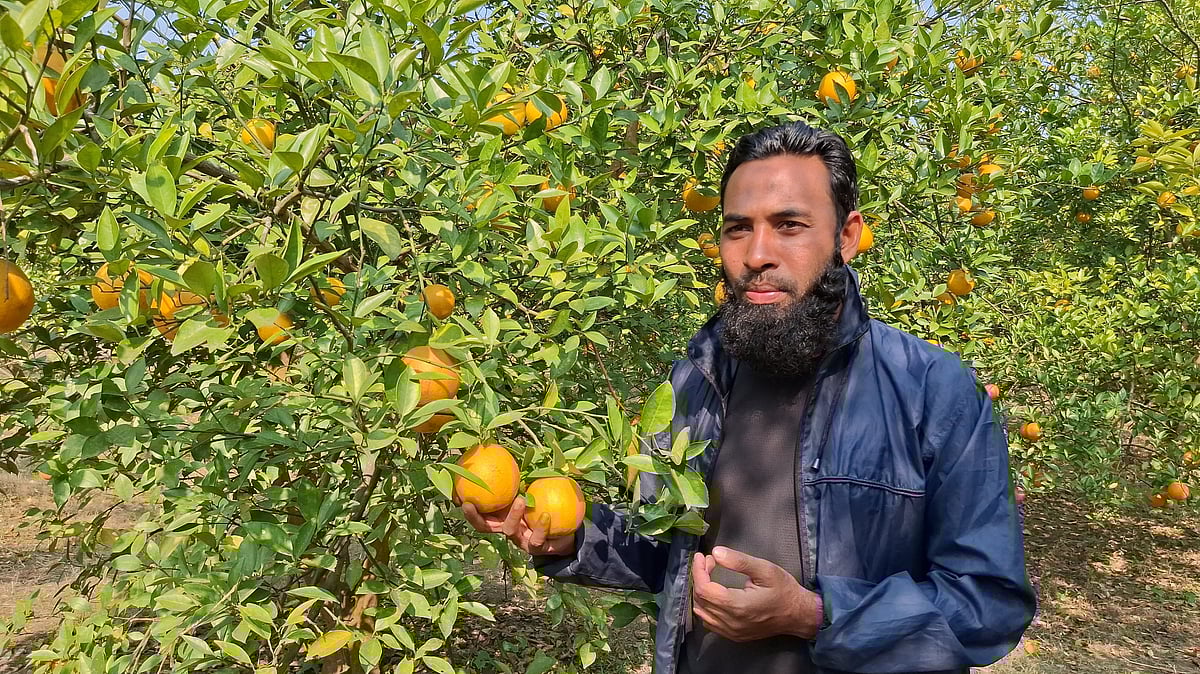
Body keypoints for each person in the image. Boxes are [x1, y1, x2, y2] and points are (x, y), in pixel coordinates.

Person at [461, 120, 1036, 673]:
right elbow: (671, 553)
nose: (757, 253)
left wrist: (814, 615)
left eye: (789, 225)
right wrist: (570, 538)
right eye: (738, 228)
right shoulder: (695, 381)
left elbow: (988, 606)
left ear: (847, 236)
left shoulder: (933, 391)